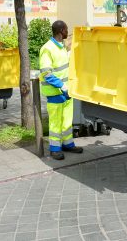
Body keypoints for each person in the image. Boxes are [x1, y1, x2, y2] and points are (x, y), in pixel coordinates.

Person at [39, 20, 83, 160]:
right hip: (55, 93)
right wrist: (61, 86)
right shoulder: (47, 48)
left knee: (66, 121)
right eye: (66, 30)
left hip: (66, 92)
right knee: (56, 123)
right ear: (61, 31)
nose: (67, 32)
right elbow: (47, 74)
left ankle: (68, 143)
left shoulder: (61, 47)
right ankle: (55, 148)